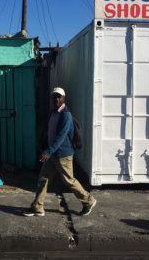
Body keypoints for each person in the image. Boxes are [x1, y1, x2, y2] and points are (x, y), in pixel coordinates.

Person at [23, 87, 97, 217]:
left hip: (63, 155)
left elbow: (61, 136)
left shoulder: (65, 115)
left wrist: (48, 151)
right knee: (43, 178)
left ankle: (88, 200)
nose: (56, 99)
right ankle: (37, 207)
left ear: (63, 98)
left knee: (69, 181)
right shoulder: (54, 113)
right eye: (54, 97)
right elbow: (50, 132)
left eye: (59, 97)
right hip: (53, 154)